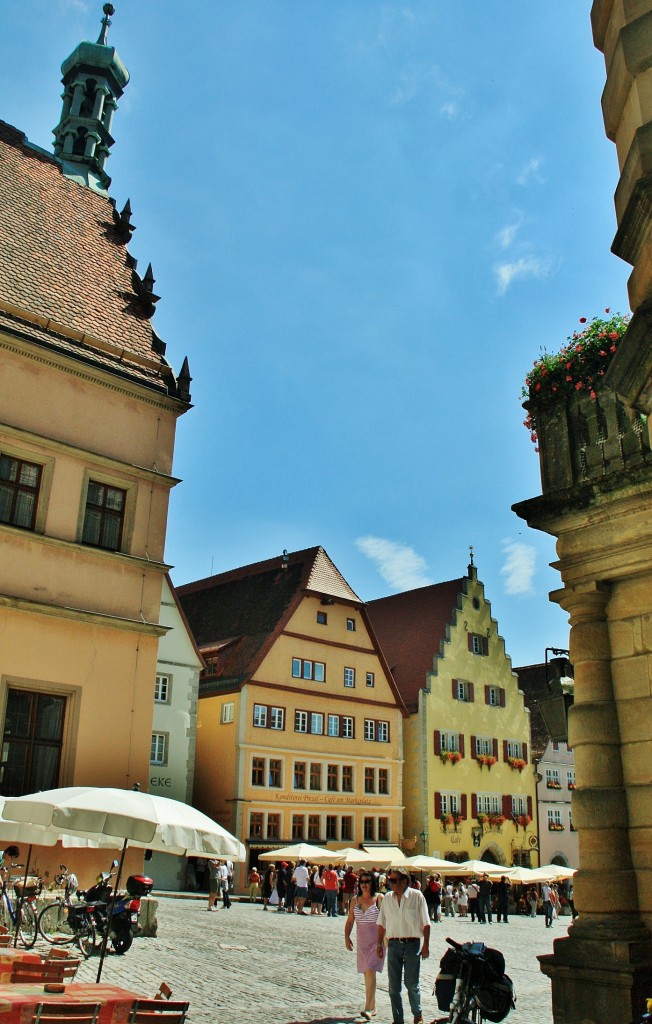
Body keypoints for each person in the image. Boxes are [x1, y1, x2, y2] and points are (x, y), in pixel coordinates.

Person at [376, 865, 430, 1024]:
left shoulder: (417, 896)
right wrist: (379, 944)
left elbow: (426, 923)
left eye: (393, 880)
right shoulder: (387, 899)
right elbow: (381, 924)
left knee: (411, 983)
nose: (390, 884)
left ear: (404, 881)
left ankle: (417, 1014)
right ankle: (398, 1019)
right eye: (389, 881)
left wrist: (426, 945)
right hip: (393, 945)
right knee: (393, 987)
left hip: (412, 944)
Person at [344, 872, 385, 1021]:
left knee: (370, 971)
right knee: (367, 975)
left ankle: (368, 1008)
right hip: (362, 944)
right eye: (362, 881)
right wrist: (346, 937)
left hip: (377, 943)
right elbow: (350, 921)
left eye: (368, 881)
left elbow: (386, 920)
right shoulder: (355, 901)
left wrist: (383, 942)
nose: (364, 884)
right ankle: (373, 1006)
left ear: (372, 883)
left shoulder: (380, 899)